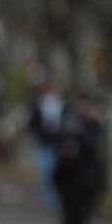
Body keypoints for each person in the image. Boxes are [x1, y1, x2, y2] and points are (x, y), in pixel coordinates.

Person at [50, 90, 105, 224]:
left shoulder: (92, 131)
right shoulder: (78, 133)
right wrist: (64, 188)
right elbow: (64, 164)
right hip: (74, 195)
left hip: (85, 195)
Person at [27, 79, 65, 207]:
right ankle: (48, 197)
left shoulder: (61, 104)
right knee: (47, 170)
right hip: (45, 143)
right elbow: (33, 124)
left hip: (58, 143)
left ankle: (55, 195)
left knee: (57, 170)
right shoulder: (39, 105)